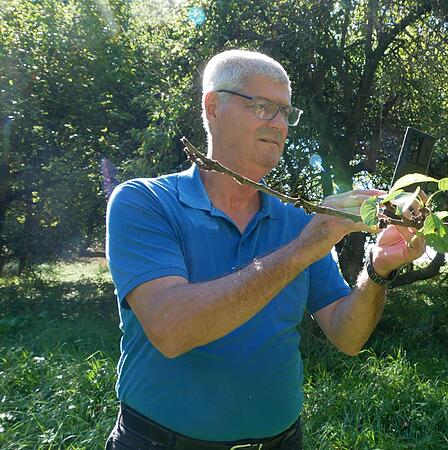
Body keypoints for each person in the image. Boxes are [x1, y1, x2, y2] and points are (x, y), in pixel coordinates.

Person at [104, 49, 426, 450]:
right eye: (262, 107)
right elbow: (171, 330)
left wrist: (378, 269)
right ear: (213, 107)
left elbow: (348, 336)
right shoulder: (145, 202)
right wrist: (303, 248)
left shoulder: (296, 221)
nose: (279, 125)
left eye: (286, 113)